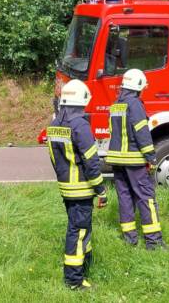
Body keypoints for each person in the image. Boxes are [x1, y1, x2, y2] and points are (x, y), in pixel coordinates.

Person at [47, 80, 108, 290]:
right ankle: (73, 280)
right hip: (82, 189)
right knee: (79, 231)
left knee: (81, 228)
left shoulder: (55, 124)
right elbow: (91, 161)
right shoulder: (80, 124)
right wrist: (101, 189)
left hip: (66, 187)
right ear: (83, 100)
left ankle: (85, 265)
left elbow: (54, 159)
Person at [106, 69, 166, 249]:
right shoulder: (135, 104)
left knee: (125, 197)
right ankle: (154, 242)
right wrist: (151, 157)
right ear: (138, 86)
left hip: (116, 161)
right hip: (134, 160)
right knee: (146, 198)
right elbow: (142, 132)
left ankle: (129, 239)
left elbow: (112, 132)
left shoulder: (116, 104)